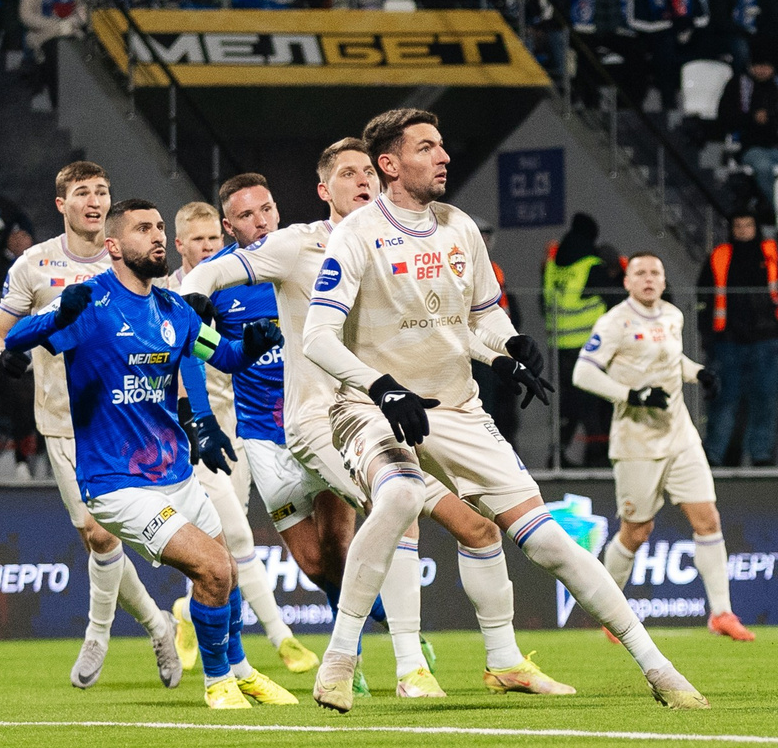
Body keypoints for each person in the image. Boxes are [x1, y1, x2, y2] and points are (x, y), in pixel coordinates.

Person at [301, 107, 706, 712]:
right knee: (400, 498)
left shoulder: (458, 225)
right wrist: (383, 388)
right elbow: (317, 338)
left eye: (442, 145)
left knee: (549, 543)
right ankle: (338, 660)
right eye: (426, 148)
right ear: (389, 164)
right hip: (371, 406)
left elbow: (480, 313)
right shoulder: (356, 234)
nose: (442, 157)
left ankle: (659, 668)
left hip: (457, 408)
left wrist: (508, 346)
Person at [186, 154, 546, 703]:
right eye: (245, 215)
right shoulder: (266, 262)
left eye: (266, 209)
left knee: (423, 517)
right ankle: (367, 644)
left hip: (350, 422)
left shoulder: (365, 248)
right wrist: (215, 371)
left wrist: (496, 355)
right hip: (267, 435)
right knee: (317, 560)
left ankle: (409, 659)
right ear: (229, 227)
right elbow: (213, 350)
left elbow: (437, 328)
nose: (260, 221)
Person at [0, 198, 288, 709]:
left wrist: (252, 348)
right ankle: (218, 681)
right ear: (113, 246)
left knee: (230, 569)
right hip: (117, 483)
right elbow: (15, 338)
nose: (156, 236)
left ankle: (242, 671)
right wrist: (52, 318)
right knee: (215, 570)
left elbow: (218, 353)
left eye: (159, 226)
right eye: (142, 229)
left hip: (173, 473)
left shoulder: (173, 306)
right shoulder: (89, 301)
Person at [0, 160, 180, 690]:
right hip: (68, 426)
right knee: (98, 536)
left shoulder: (135, 258)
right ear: (61, 205)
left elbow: (177, 336)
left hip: (142, 425)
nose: (94, 201)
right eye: (83, 193)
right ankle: (155, 627)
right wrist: (4, 359)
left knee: (138, 536)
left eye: (102, 192)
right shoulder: (34, 264)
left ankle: (118, 632)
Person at [160, 198, 313, 674]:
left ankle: (193, 611)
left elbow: (225, 355)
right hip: (191, 427)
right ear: (179, 245)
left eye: (214, 241)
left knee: (223, 537)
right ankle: (278, 638)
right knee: (238, 534)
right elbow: (185, 360)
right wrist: (196, 418)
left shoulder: (232, 284)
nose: (207, 249)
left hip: (237, 424)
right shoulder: (167, 295)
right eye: (198, 241)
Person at [570, 252, 753, 642]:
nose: (649, 278)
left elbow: (672, 361)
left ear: (664, 280)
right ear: (627, 282)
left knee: (708, 519)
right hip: (636, 441)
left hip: (680, 436)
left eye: (656, 272)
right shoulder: (614, 322)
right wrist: (631, 395)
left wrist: (697, 372)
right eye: (640, 273)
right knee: (636, 531)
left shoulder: (672, 315)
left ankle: (721, 613)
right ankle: (611, 614)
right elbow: (582, 372)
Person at [696, 211, 778, 465]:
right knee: (723, 401)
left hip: (765, 339)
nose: (743, 230)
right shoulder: (720, 255)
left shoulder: (772, 253)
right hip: (728, 340)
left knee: (765, 401)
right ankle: (713, 455)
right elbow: (703, 294)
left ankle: (761, 455)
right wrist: (709, 334)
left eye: (748, 225)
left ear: (756, 227)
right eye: (738, 225)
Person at [542, 212, 624, 463]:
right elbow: (613, 301)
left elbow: (543, 301)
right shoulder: (591, 265)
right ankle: (598, 454)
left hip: (558, 343)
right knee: (591, 401)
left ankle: (558, 455)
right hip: (587, 343)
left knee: (569, 403)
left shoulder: (554, 264)